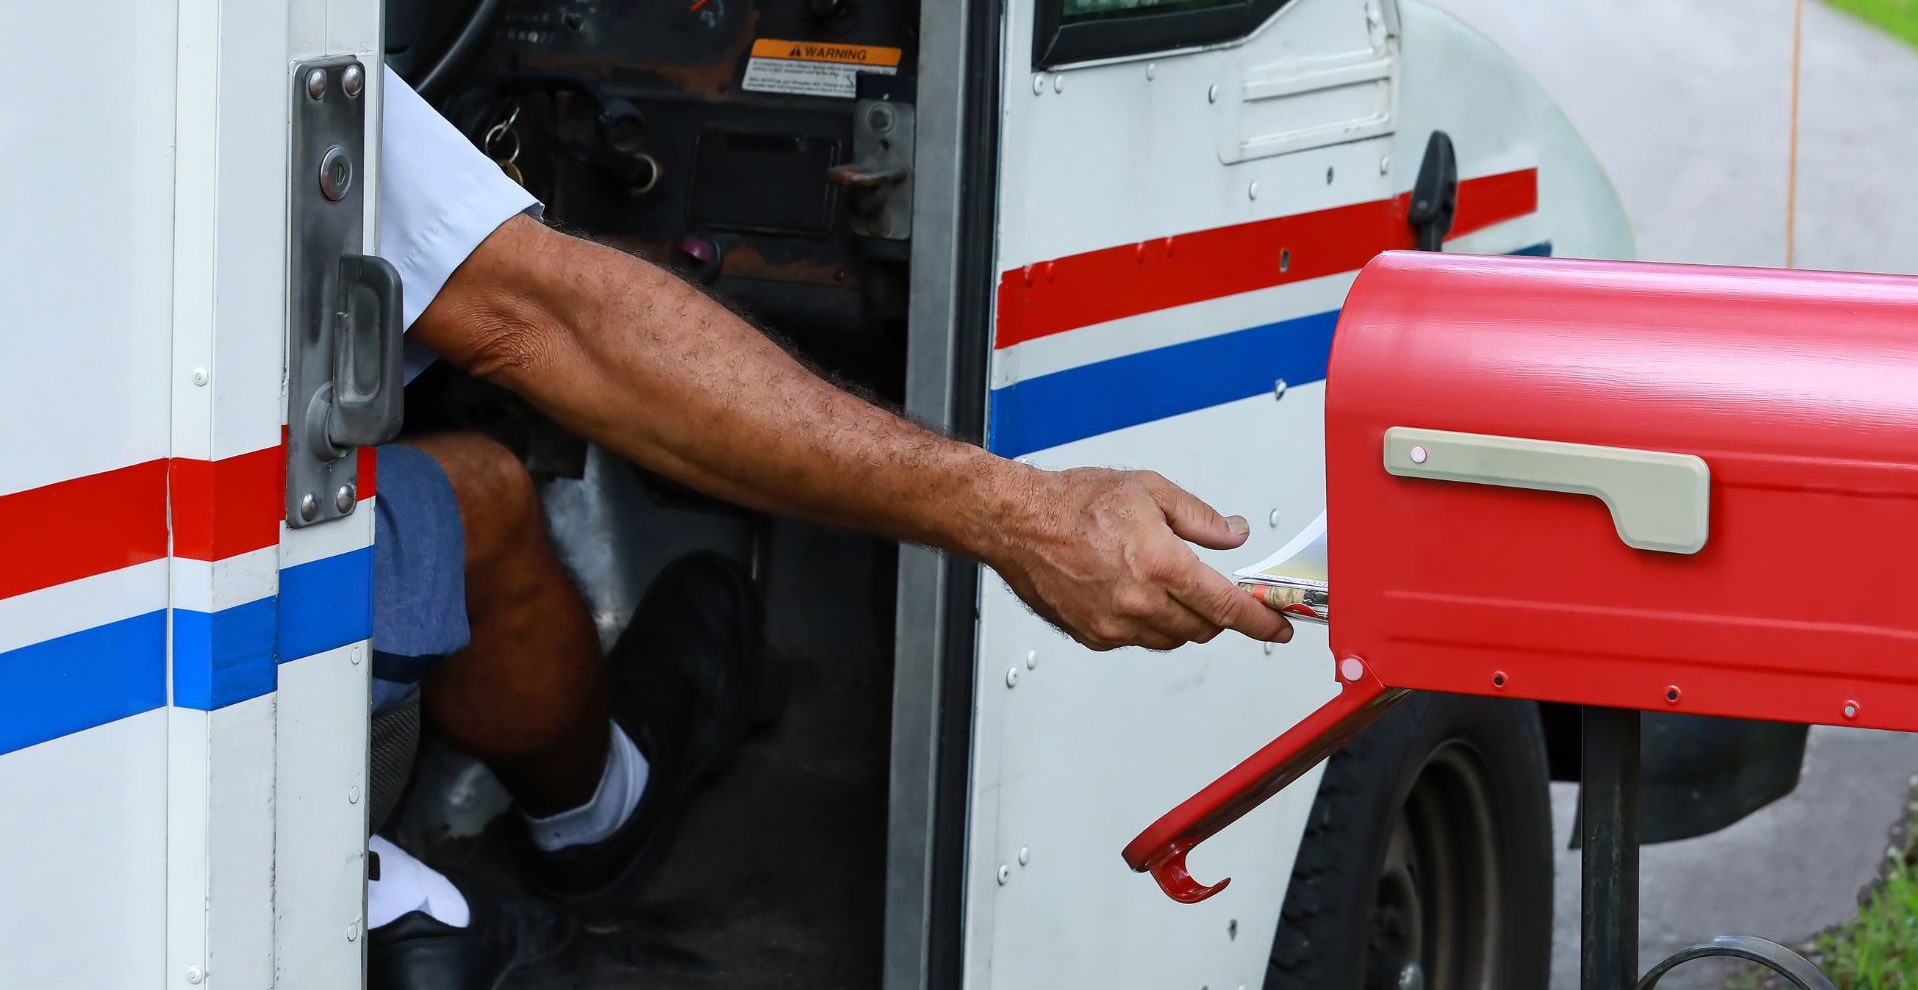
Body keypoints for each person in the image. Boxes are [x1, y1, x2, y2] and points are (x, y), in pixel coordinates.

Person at [363, 67, 1294, 987]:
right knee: (482, 493)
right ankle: (556, 838)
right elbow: (545, 318)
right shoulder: (283, 56)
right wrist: (1025, 515)